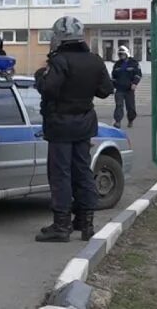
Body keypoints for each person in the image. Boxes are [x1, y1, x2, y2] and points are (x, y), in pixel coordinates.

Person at [34, 16, 114, 243]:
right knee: (83, 171)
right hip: (85, 124)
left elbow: (48, 89)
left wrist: (40, 76)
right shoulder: (95, 60)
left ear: (59, 37)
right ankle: (86, 223)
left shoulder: (60, 61)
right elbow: (105, 90)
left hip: (60, 125)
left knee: (60, 174)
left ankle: (61, 225)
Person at [111, 45, 142, 129]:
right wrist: (112, 87)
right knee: (119, 105)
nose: (121, 56)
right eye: (120, 54)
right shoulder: (117, 64)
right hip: (119, 89)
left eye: (122, 54)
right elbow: (113, 77)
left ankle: (131, 120)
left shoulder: (134, 63)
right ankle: (117, 121)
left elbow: (138, 74)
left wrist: (135, 83)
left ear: (127, 54)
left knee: (130, 107)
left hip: (129, 89)